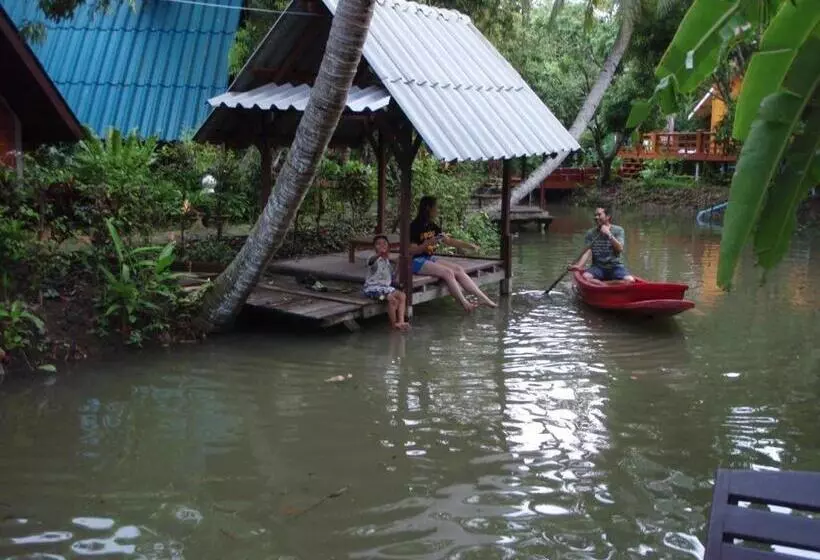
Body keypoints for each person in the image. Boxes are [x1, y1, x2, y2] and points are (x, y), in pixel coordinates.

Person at [409, 196, 497, 312]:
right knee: (448, 273)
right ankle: (465, 304)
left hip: (428, 258)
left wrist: (470, 246)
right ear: (428, 208)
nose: (438, 210)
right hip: (414, 261)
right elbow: (412, 251)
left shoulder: (432, 226)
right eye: (436, 207)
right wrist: (427, 243)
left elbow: (449, 241)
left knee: (458, 269)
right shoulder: (414, 227)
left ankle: (483, 298)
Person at [570, 206, 635, 284]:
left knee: (630, 280)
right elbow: (587, 251)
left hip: (615, 266)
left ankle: (601, 283)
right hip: (597, 267)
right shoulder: (591, 233)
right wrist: (579, 266)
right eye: (595, 215)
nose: (596, 217)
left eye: (599, 215)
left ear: (608, 216)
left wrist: (609, 234)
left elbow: (620, 249)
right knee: (585, 277)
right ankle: (608, 284)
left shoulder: (618, 230)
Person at [363, 234, 410, 330]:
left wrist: (398, 265)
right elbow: (371, 262)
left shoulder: (387, 261)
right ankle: (393, 326)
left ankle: (401, 322)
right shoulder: (372, 258)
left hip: (386, 289)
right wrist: (380, 254)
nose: (382, 246)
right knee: (391, 299)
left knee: (402, 295)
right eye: (378, 244)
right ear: (374, 247)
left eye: (384, 243)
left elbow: (392, 278)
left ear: (388, 246)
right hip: (373, 291)